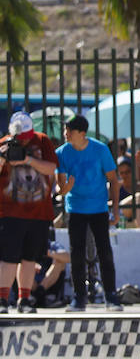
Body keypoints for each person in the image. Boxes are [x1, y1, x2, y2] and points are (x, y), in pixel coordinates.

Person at [55, 114, 122, 312]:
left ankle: (111, 295)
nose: (65, 133)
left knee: (104, 251)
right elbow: (60, 188)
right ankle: (79, 298)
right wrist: (65, 189)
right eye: (65, 130)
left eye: (70, 130)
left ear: (82, 133)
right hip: (75, 209)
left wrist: (115, 209)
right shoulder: (61, 152)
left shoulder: (100, 150)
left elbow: (113, 180)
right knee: (77, 253)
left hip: (98, 208)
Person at [0, 112, 59, 313]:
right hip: (11, 212)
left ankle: (24, 299)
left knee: (29, 258)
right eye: (20, 138)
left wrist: (28, 159)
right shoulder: (4, 143)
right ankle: (2, 299)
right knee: (8, 257)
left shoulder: (42, 141)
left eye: (26, 136)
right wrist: (2, 157)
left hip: (38, 213)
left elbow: (51, 169)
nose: (23, 141)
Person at [116, 157, 140, 228]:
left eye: (127, 172)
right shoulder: (117, 187)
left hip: (135, 216)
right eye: (122, 173)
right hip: (121, 214)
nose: (125, 175)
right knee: (139, 196)